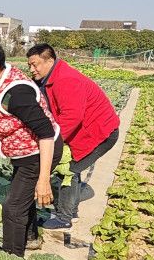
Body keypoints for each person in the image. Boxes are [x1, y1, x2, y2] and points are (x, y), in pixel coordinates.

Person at [0, 40, 62, 257]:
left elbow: (45, 134)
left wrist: (44, 179)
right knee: (22, 198)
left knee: (13, 207)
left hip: (40, 152)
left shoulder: (16, 94)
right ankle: (31, 238)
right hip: (25, 151)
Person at [26, 43, 120, 229]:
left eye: (35, 64)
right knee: (71, 169)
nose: (32, 69)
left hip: (100, 132)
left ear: (49, 61)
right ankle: (73, 207)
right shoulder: (50, 77)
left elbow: (72, 116)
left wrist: (52, 142)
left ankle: (64, 217)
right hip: (84, 132)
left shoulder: (66, 80)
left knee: (68, 169)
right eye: (29, 65)